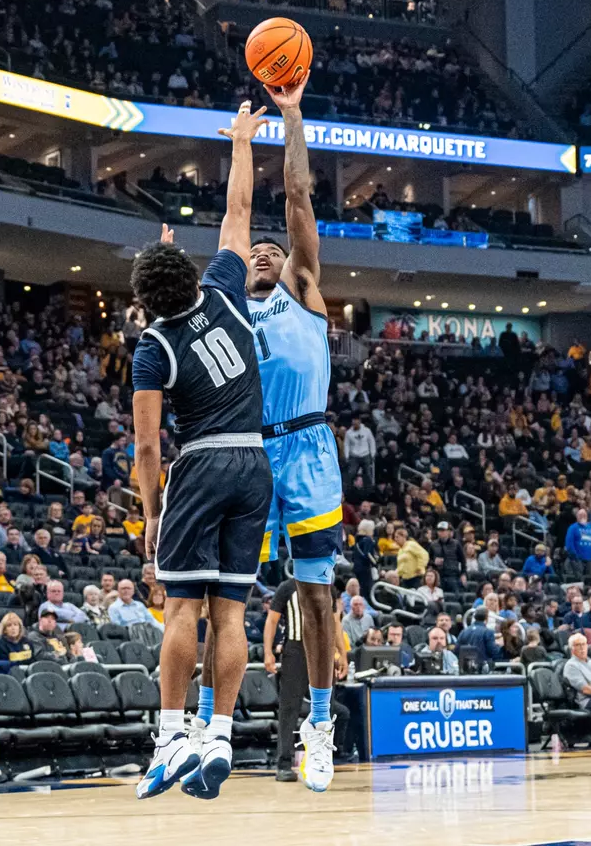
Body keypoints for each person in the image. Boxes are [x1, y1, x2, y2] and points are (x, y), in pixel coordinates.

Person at [131, 101, 273, 801]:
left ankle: (169, 739)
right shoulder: (225, 289)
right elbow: (237, 210)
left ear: (144, 301)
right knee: (233, 615)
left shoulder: (152, 346)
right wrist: (243, 140)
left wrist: (153, 514)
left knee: (182, 606)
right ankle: (219, 735)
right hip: (257, 465)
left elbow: (150, 445)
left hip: (204, 463)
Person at [244, 73, 342, 794]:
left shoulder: (304, 292)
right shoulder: (229, 311)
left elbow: (296, 198)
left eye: (273, 248)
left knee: (315, 597)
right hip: (248, 453)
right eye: (256, 250)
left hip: (306, 447)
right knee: (212, 594)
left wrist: (292, 116)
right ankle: (196, 727)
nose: (265, 252)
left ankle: (321, 725)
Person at [263, 577, 349, 782]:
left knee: (326, 707)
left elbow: (335, 623)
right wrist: (268, 651)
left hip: (324, 650)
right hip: (295, 650)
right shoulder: (287, 588)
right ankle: (283, 763)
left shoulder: (329, 588)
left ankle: (322, 758)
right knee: (289, 708)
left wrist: (342, 654)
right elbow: (272, 620)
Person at [455, 607, 502, 673]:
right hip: (482, 671)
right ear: (487, 617)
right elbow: (494, 653)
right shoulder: (488, 632)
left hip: (465, 671)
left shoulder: (464, 631)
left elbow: (456, 650)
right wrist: (499, 645)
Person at [565, 508, 591, 581]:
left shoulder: (590, 528)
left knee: (588, 580)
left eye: (584, 515)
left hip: (589, 560)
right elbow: (569, 543)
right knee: (578, 580)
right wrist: (575, 556)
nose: (582, 516)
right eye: (580, 515)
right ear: (577, 517)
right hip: (577, 559)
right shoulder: (573, 527)